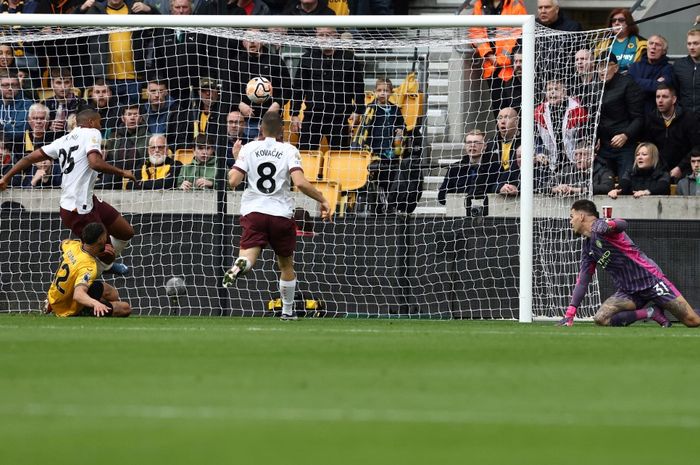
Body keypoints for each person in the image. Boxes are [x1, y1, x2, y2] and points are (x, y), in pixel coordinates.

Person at [224, 111, 332, 320]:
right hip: (281, 214)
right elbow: (300, 182)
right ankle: (287, 312)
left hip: (254, 212)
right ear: (281, 130)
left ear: (260, 129)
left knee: (248, 256)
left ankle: (240, 266)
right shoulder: (289, 149)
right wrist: (323, 200)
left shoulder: (249, 148)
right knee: (285, 264)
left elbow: (233, 181)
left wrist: (237, 158)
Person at [0, 108, 136, 275]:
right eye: (100, 122)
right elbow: (95, 162)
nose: (100, 126)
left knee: (126, 232)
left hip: (87, 201)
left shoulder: (63, 140)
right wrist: (123, 173)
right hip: (78, 210)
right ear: (91, 122)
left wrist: (5, 178)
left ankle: (100, 262)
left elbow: (28, 158)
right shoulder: (92, 132)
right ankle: (84, 272)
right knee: (107, 256)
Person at [559, 199, 700, 328]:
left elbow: (622, 224)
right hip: (629, 292)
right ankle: (651, 312)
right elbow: (583, 281)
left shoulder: (603, 227)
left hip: (650, 281)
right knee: (600, 318)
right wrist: (570, 314)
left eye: (572, 217)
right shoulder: (588, 248)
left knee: (692, 321)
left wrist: (610, 224)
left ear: (581, 216)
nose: (570, 222)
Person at [291, 27, 364, 151]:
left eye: (328, 35)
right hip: (313, 116)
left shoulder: (349, 58)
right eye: (321, 35)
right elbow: (299, 87)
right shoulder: (308, 58)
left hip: (339, 117)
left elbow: (358, 87)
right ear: (316, 36)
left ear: (336, 36)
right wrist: (294, 113)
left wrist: (358, 110)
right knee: (305, 153)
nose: (324, 39)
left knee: (340, 156)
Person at [44, 222, 131, 318]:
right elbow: (78, 295)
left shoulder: (73, 246)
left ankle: (52, 303)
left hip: (55, 295)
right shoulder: (88, 267)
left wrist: (98, 251)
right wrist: (95, 304)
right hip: (67, 307)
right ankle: (84, 310)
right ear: (101, 239)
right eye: (105, 235)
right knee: (125, 308)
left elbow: (63, 243)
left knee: (113, 294)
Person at [351, 77, 406, 213]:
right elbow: (364, 129)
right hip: (375, 151)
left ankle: (390, 203)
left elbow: (401, 124)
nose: (383, 93)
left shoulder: (395, 109)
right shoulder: (371, 109)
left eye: (386, 90)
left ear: (391, 93)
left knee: (391, 177)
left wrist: (400, 130)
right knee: (377, 179)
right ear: (375, 92)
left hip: (391, 151)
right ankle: (377, 204)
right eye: (380, 90)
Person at [596, 54, 644, 178]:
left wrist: (625, 135)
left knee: (625, 181)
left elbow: (639, 118)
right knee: (603, 182)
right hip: (604, 147)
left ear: (616, 68)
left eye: (606, 66)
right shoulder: (595, 87)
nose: (602, 70)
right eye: (599, 66)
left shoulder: (628, 84)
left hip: (625, 145)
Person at [644, 84, 700, 183]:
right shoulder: (651, 119)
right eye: (658, 97)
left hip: (685, 167)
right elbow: (650, 147)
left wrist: (680, 167)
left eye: (665, 97)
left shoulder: (689, 118)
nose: (660, 100)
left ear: (674, 99)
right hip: (660, 169)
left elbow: (697, 146)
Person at [534, 79, 588, 173]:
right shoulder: (539, 112)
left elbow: (584, 136)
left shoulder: (577, 110)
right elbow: (537, 138)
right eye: (549, 89)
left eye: (556, 89)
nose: (552, 92)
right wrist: (540, 152)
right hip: (550, 160)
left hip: (574, 159)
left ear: (564, 92)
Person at [437, 130, 498, 206]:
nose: (472, 145)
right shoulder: (455, 168)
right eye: (469, 142)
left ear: (485, 146)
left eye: (476, 142)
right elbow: (442, 197)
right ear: (465, 146)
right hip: (460, 211)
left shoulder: (494, 168)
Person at [627, 35, 674, 113]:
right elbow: (629, 85)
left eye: (658, 44)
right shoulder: (635, 66)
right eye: (651, 43)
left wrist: (637, 81)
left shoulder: (668, 68)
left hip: (656, 114)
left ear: (664, 51)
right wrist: (655, 83)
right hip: (634, 112)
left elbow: (663, 87)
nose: (653, 47)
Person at [550, 141, 614, 196]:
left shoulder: (604, 170)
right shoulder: (567, 170)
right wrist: (556, 189)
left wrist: (576, 190)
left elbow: (607, 187)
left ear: (593, 157)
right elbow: (544, 186)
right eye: (576, 154)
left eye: (583, 154)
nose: (578, 158)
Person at [595, 9, 646, 74]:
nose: (616, 23)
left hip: (632, 81)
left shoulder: (642, 43)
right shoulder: (602, 44)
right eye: (613, 21)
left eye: (621, 20)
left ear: (628, 22)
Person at [672, 28, 700, 120]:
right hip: (684, 119)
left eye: (696, 43)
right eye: (689, 44)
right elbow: (674, 91)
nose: (691, 47)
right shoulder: (679, 65)